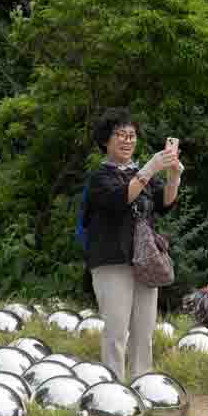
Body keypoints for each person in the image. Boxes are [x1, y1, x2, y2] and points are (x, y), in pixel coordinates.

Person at [83, 108, 180, 381]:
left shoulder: (141, 175)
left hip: (144, 260)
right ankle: (113, 392)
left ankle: (142, 385)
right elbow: (119, 199)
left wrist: (174, 174)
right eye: (120, 135)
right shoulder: (99, 177)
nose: (127, 141)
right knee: (116, 330)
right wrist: (149, 169)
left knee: (144, 331)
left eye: (132, 135)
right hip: (112, 260)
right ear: (106, 140)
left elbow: (165, 203)